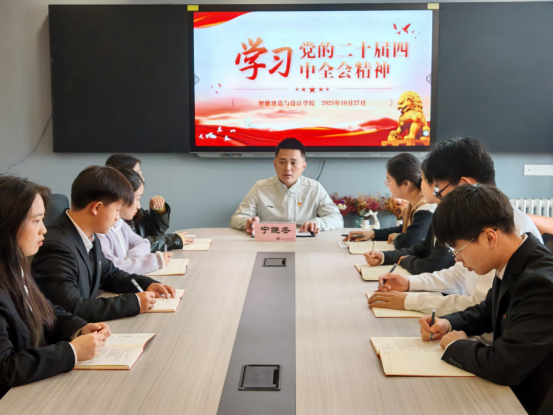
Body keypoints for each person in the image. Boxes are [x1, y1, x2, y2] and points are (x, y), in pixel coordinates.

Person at [417, 184, 553, 415]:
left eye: (457, 249)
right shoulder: (516, 260)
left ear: (490, 237)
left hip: (526, 401)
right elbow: (487, 310)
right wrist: (447, 323)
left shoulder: (540, 284)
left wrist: (455, 345)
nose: (457, 259)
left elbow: (505, 365)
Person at [368, 137, 542, 316]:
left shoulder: (508, 229)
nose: (439, 198)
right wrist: (409, 283)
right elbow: (460, 275)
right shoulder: (481, 220)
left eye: (439, 190)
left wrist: (409, 301)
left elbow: (481, 307)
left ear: (466, 185)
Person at [0, 175, 109, 398]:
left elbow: (45, 312)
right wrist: (71, 352)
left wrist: (79, 329)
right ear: (8, 224)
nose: (44, 230)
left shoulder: (16, 267)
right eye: (36, 220)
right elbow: (5, 369)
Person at [32, 166, 176, 323]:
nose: (118, 217)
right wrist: (134, 302)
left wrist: (147, 284)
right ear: (96, 207)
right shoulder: (56, 246)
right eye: (117, 210)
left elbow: (110, 274)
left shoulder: (88, 235)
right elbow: (73, 307)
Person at [230, 138, 343, 234]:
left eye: (294, 163)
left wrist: (316, 223)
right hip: (269, 240)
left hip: (303, 240)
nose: (288, 168)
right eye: (282, 162)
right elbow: (236, 218)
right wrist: (248, 223)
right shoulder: (260, 187)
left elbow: (336, 218)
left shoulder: (315, 188)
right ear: (275, 164)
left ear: (303, 166)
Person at [364, 160, 455, 274]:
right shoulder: (439, 210)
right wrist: (384, 256)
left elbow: (434, 264)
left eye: (422, 180)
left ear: (435, 185)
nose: (420, 184)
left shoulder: (435, 210)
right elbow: (422, 248)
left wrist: (406, 261)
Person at [344, 153, 435, 249]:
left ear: (405, 184)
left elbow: (410, 242)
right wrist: (372, 234)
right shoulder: (414, 203)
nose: (387, 185)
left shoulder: (426, 208)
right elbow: (405, 231)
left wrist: (397, 237)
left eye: (389, 181)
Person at [105, 154, 192, 252]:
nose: (142, 179)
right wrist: (171, 240)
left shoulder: (130, 214)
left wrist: (159, 212)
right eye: (137, 174)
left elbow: (151, 233)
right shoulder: (110, 225)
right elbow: (134, 247)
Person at [97, 168, 172, 275]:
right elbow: (111, 269)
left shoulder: (120, 224)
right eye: (137, 199)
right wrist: (150, 262)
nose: (139, 206)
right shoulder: (100, 232)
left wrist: (133, 262)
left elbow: (143, 242)